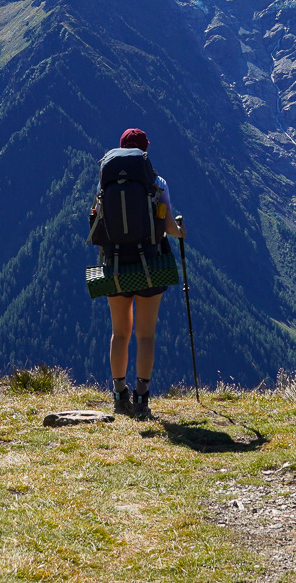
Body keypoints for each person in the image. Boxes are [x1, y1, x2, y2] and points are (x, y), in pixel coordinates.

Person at [91, 127, 183, 419]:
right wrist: (180, 230)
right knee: (146, 336)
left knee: (120, 334)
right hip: (149, 266)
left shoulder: (105, 184)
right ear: (145, 152)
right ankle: (142, 399)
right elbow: (169, 227)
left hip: (115, 266)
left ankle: (120, 396)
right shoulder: (156, 183)